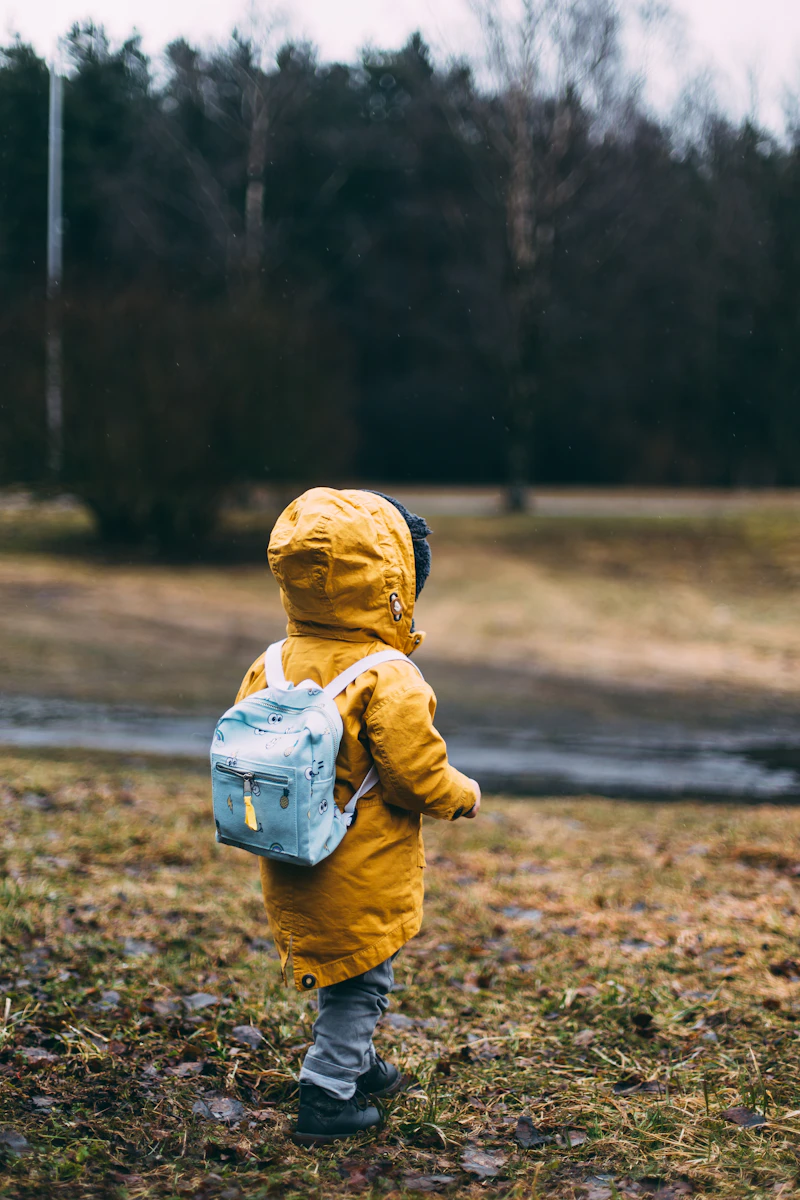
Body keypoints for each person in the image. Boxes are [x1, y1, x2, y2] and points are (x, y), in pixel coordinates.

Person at [235, 487, 481, 1145]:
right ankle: (328, 1093)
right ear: (393, 585)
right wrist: (462, 794)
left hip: (291, 855)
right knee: (363, 981)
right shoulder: (387, 675)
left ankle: (358, 1062)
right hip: (360, 863)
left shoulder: (273, 663)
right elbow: (415, 774)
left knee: (346, 967)